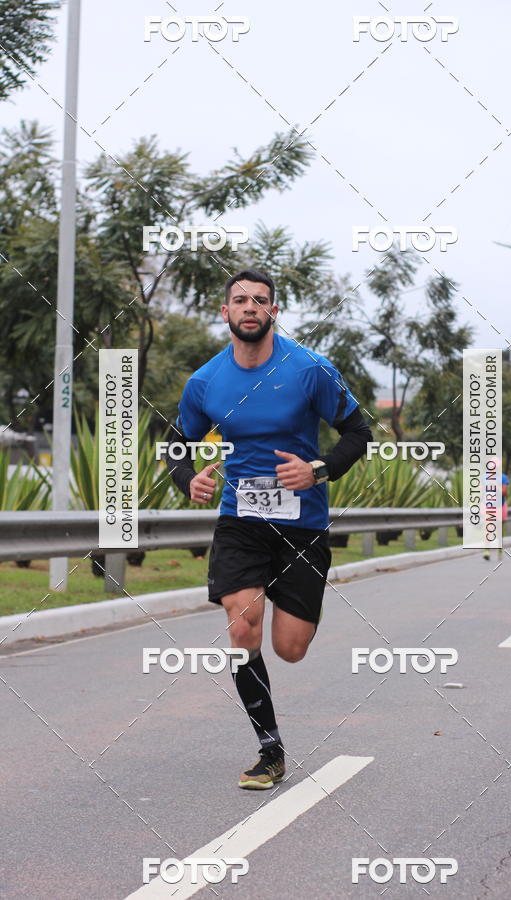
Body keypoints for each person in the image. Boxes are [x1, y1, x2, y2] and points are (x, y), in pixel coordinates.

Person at [167, 270, 373, 789]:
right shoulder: (206, 382)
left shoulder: (309, 370)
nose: (250, 307)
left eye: (260, 300)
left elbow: (358, 431)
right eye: (240, 300)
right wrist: (188, 480)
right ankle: (269, 748)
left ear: (273, 311)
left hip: (303, 525)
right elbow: (177, 445)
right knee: (242, 629)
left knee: (290, 648)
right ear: (226, 312)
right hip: (241, 520)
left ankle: (293, 611)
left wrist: (318, 469)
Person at [483, 471, 509, 560]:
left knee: (498, 530)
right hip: (488, 506)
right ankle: (486, 551)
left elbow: (504, 493)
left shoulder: (503, 477)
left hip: (499, 506)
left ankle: (499, 549)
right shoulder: (484, 477)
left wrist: (495, 485)